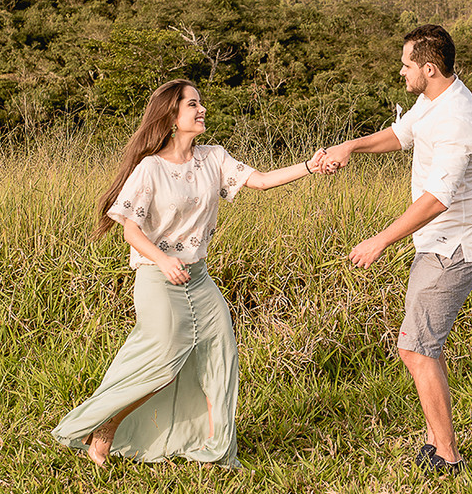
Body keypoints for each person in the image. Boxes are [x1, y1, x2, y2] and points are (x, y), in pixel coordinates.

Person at [52, 78, 327, 468]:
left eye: (200, 104)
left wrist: (308, 167)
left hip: (199, 279)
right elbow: (130, 228)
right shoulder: (150, 168)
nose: (201, 111)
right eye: (192, 105)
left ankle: (213, 445)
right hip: (157, 278)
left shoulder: (213, 158)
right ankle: (104, 426)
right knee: (162, 361)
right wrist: (163, 260)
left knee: (221, 352)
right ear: (171, 115)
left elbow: (262, 182)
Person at [319, 24, 472, 475]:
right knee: (418, 346)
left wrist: (379, 240)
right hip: (435, 245)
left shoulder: (458, 119)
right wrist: (351, 146)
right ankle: (436, 442)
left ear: (429, 69)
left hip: (453, 247)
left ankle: (447, 455)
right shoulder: (435, 99)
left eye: (407, 66)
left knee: (418, 349)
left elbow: (438, 198)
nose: (402, 73)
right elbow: (401, 134)